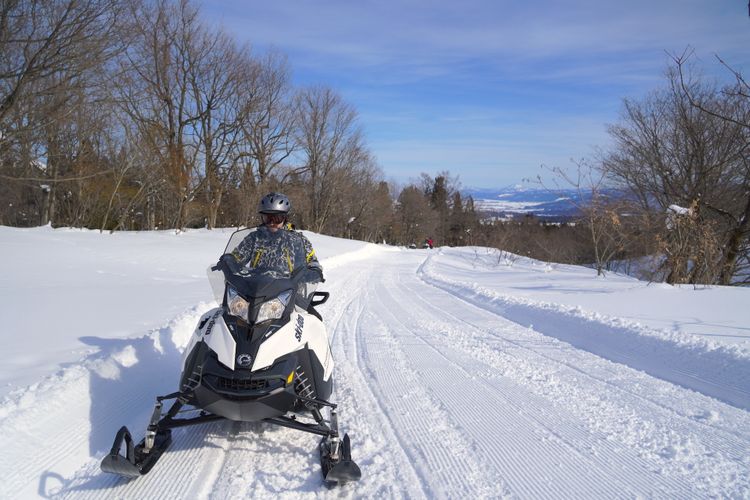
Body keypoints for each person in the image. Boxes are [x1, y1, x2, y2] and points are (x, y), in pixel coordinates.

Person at [228, 192, 321, 276]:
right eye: (267, 218)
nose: (272, 223)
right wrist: (228, 260)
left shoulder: (297, 240)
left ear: (285, 218)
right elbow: (238, 256)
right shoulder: (254, 238)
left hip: (290, 290)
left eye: (277, 219)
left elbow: (311, 260)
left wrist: (314, 270)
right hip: (257, 288)